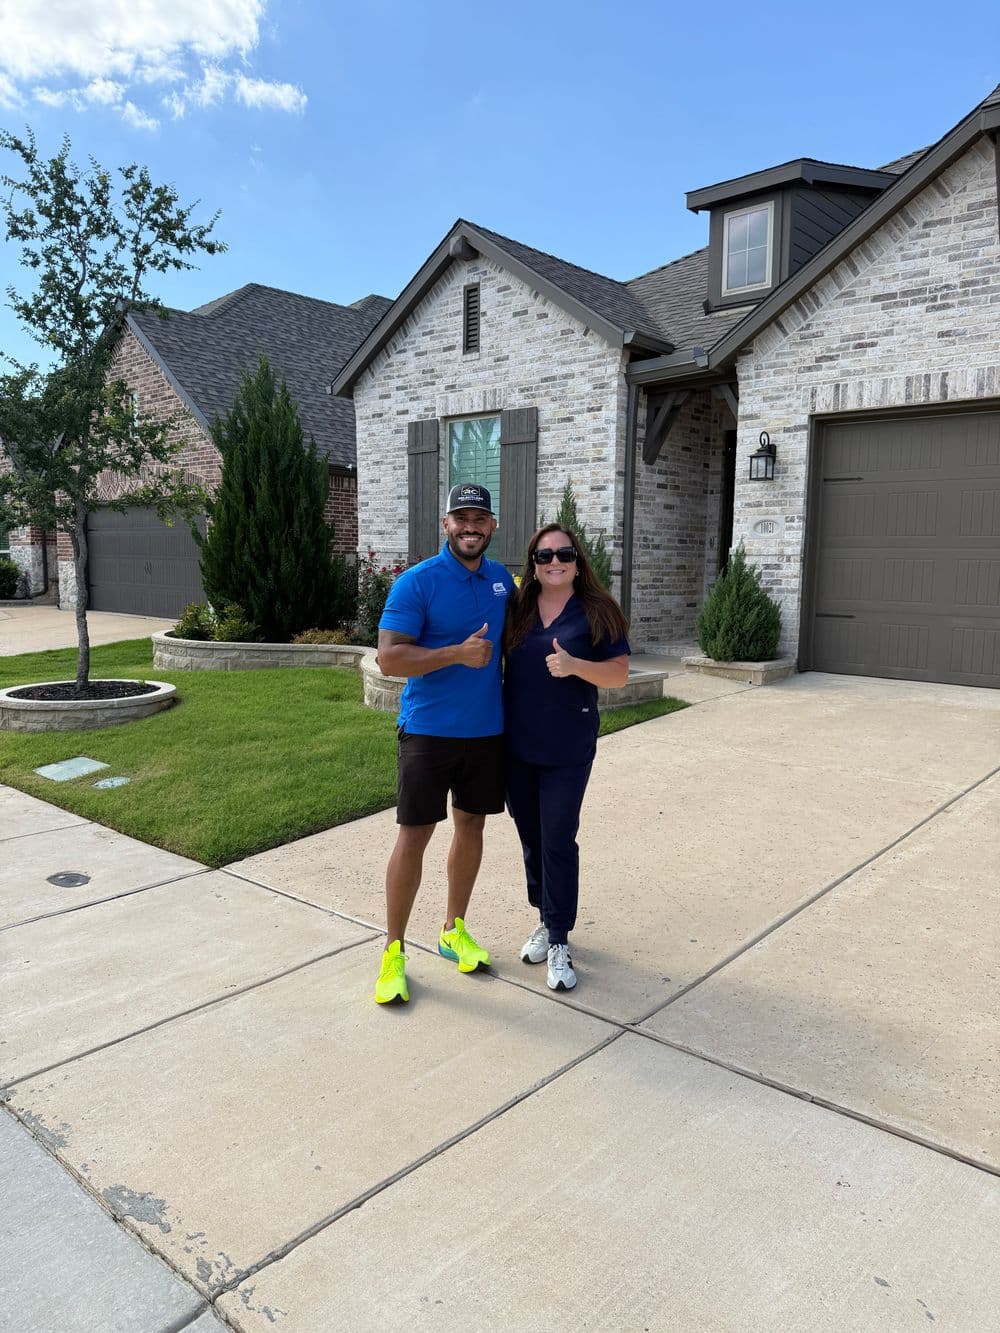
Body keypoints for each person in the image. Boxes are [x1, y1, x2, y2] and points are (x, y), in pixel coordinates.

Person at [373, 482, 514, 1004]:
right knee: (415, 836)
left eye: (479, 518)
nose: (471, 526)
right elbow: (390, 659)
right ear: (446, 524)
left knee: (471, 825)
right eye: (462, 518)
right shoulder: (418, 582)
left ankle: (454, 930)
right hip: (428, 731)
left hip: (486, 732)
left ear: (492, 525)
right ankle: (393, 952)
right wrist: (456, 653)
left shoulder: (502, 581)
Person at [503, 523, 630, 992]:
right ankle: (543, 915)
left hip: (567, 747)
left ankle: (559, 938)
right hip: (517, 746)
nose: (553, 561)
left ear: (578, 561)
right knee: (532, 838)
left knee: (558, 837)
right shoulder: (516, 608)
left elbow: (618, 675)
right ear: (531, 565)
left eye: (563, 554)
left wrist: (576, 667)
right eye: (543, 556)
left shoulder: (598, 610)